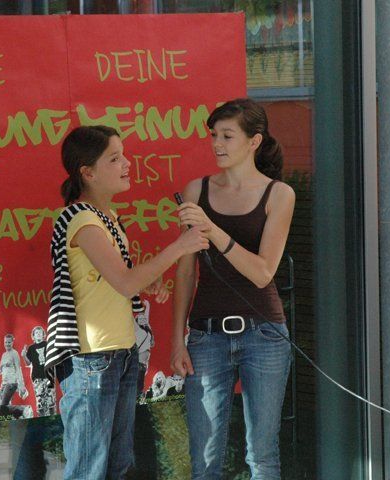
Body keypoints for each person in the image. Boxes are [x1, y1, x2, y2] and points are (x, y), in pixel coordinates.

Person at [44, 125, 209, 480]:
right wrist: (180, 246)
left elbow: (114, 280)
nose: (127, 164)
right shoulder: (82, 219)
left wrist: (146, 283)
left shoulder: (106, 218)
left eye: (123, 156)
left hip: (119, 352)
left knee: (116, 465)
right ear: (88, 172)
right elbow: (123, 281)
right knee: (89, 469)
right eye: (114, 159)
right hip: (91, 357)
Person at [171, 98, 296, 479]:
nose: (217, 144)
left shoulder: (279, 194)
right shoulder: (196, 190)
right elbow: (186, 272)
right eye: (214, 135)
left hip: (265, 333)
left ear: (254, 141)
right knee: (204, 458)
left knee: (262, 455)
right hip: (206, 335)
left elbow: (263, 273)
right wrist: (177, 339)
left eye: (227, 136)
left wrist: (212, 230)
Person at [22, 326, 56, 416]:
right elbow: (28, 363)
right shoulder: (31, 348)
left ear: (43, 335)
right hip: (37, 377)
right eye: (36, 333)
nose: (38, 334)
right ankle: (42, 418)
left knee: (51, 400)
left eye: (40, 332)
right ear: (33, 336)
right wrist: (24, 355)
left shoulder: (47, 344)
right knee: (40, 400)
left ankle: (53, 419)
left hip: (48, 376)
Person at [0, 334, 28, 406]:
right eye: (6, 342)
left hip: (11, 383)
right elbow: (0, 370)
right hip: (4, 384)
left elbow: (18, 370)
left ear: (12, 343)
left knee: (3, 404)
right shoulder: (4, 355)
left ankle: (23, 409)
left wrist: (22, 385)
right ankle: (16, 411)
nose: (7, 344)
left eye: (9, 342)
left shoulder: (14, 353)